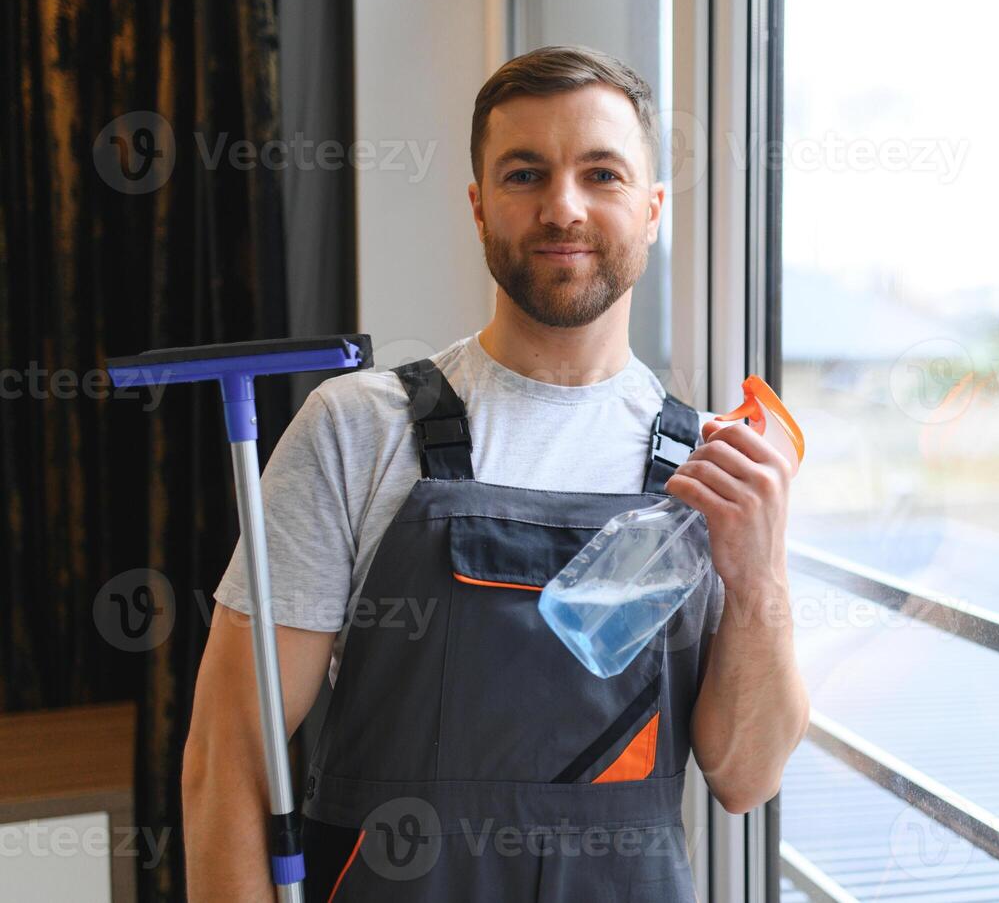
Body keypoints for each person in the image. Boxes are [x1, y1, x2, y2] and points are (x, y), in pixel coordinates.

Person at [180, 45, 810, 901]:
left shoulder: (715, 468)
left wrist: (760, 573)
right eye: (524, 174)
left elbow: (745, 775)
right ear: (478, 208)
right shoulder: (357, 428)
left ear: (653, 209)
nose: (563, 207)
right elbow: (227, 759)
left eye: (601, 174)